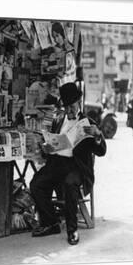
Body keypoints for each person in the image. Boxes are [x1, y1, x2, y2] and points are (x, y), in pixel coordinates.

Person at [30, 83, 107, 245]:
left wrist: (98, 136)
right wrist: (47, 147)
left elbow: (101, 152)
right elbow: (52, 143)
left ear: (79, 102)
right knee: (36, 183)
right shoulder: (58, 120)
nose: (70, 111)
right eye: (67, 108)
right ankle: (51, 222)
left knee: (70, 183)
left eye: (72, 107)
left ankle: (72, 230)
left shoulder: (87, 123)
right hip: (56, 162)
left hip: (76, 167)